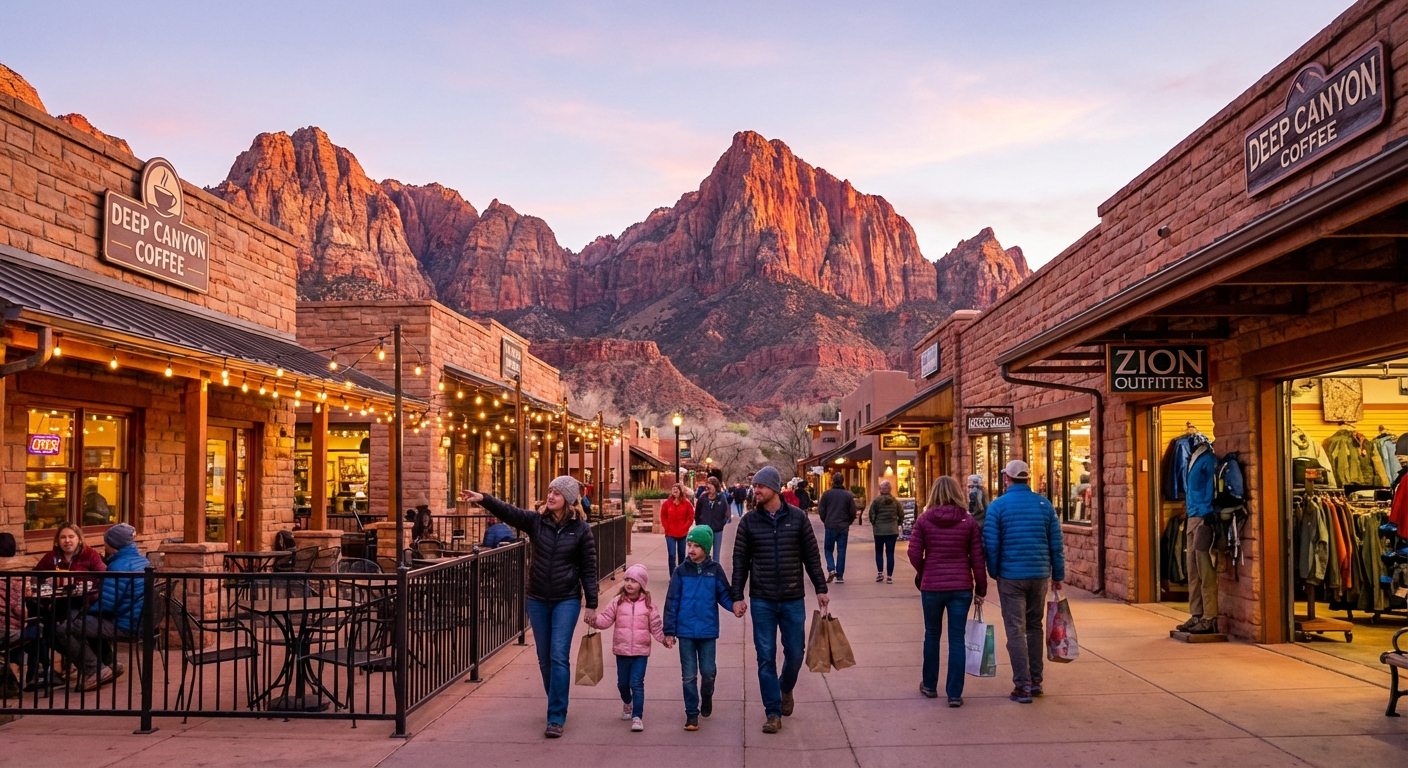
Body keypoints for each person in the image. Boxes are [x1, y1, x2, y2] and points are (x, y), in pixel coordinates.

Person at [462, 476, 598, 738]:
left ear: (568, 500)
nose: (551, 496)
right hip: (536, 598)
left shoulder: (581, 530)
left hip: (566, 599)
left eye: (557, 493)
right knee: (545, 659)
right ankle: (556, 700)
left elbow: (588, 568)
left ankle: (556, 715)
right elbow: (509, 512)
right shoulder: (537, 522)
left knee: (558, 655)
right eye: (550, 490)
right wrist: (484, 499)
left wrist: (591, 603)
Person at [730, 465, 829, 734]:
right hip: (762, 599)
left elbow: (811, 556)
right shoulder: (749, 522)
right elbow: (740, 561)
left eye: (760, 486)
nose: (756, 490)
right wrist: (736, 596)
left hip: (792, 596)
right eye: (755, 487)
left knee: (796, 653)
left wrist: (821, 588)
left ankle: (785, 688)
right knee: (765, 657)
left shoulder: (797, 518)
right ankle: (772, 712)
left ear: (774, 488)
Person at [983, 460, 1064, 704]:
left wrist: (994, 571)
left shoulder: (998, 506)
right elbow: (1056, 544)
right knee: (1034, 626)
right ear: (1027, 479)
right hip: (1038, 574)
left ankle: (1023, 684)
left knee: (1015, 629)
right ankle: (1036, 680)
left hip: (1011, 575)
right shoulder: (1044, 505)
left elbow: (991, 544)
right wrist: (1057, 575)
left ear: (1007, 478)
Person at [909, 476, 987, 707]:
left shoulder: (924, 520)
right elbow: (977, 557)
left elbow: (913, 553)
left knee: (932, 634)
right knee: (956, 638)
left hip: (932, 586)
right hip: (961, 586)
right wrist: (981, 588)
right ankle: (954, 693)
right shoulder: (968, 521)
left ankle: (930, 685)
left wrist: (924, 571)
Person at [54, 523, 148, 691]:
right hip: (140, 621)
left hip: (126, 625)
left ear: (113, 544)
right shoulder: (142, 561)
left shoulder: (119, 566)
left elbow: (107, 604)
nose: (104, 545)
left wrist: (84, 614)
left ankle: (94, 670)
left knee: (65, 629)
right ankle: (110, 663)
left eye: (106, 542)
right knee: (89, 622)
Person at [664, 525, 736, 731]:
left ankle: (707, 696)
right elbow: (672, 602)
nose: (691, 549)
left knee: (708, 672)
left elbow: (724, 594)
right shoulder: (680, 572)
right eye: (689, 544)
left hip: (707, 630)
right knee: (688, 676)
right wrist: (669, 631)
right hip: (685, 631)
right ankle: (691, 714)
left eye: (696, 546)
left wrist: (734, 607)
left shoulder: (714, 570)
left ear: (706, 548)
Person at [585, 563, 667, 733]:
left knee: (636, 683)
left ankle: (637, 716)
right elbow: (606, 619)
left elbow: (656, 626)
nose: (629, 584)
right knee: (622, 684)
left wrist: (664, 639)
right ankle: (627, 702)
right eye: (627, 580)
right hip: (622, 650)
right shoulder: (618, 602)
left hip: (641, 652)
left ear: (642, 585)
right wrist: (594, 620)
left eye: (634, 581)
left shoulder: (649, 605)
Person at [817, 472, 857, 583]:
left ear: (832, 481)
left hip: (830, 525)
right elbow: (853, 512)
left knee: (828, 549)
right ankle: (840, 575)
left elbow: (821, 510)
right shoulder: (848, 495)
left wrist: (826, 520)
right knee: (842, 550)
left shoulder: (826, 494)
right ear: (843, 481)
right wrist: (848, 522)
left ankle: (831, 568)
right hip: (843, 526)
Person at [868, 480, 903, 583]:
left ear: (880, 489)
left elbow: (871, 514)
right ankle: (889, 576)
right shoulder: (896, 502)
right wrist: (897, 523)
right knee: (890, 553)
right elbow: (901, 514)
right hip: (892, 530)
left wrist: (875, 524)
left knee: (879, 552)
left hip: (879, 531)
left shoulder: (876, 501)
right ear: (890, 489)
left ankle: (880, 573)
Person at [693, 478, 731, 563]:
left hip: (717, 529)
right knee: (704, 553)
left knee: (716, 555)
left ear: (715, 486)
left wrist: (722, 523)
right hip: (705, 530)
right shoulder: (703, 497)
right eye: (707, 483)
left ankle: (714, 573)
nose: (708, 486)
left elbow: (725, 511)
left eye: (711, 484)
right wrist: (699, 524)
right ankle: (704, 572)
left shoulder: (721, 497)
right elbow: (697, 512)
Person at [660, 484, 694, 576]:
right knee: (672, 555)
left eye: (677, 489)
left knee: (682, 555)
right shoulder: (667, 503)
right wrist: (667, 526)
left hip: (682, 533)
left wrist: (685, 526)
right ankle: (673, 576)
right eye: (673, 489)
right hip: (670, 533)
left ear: (681, 491)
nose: (675, 491)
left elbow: (690, 516)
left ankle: (681, 574)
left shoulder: (686, 503)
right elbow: (663, 516)